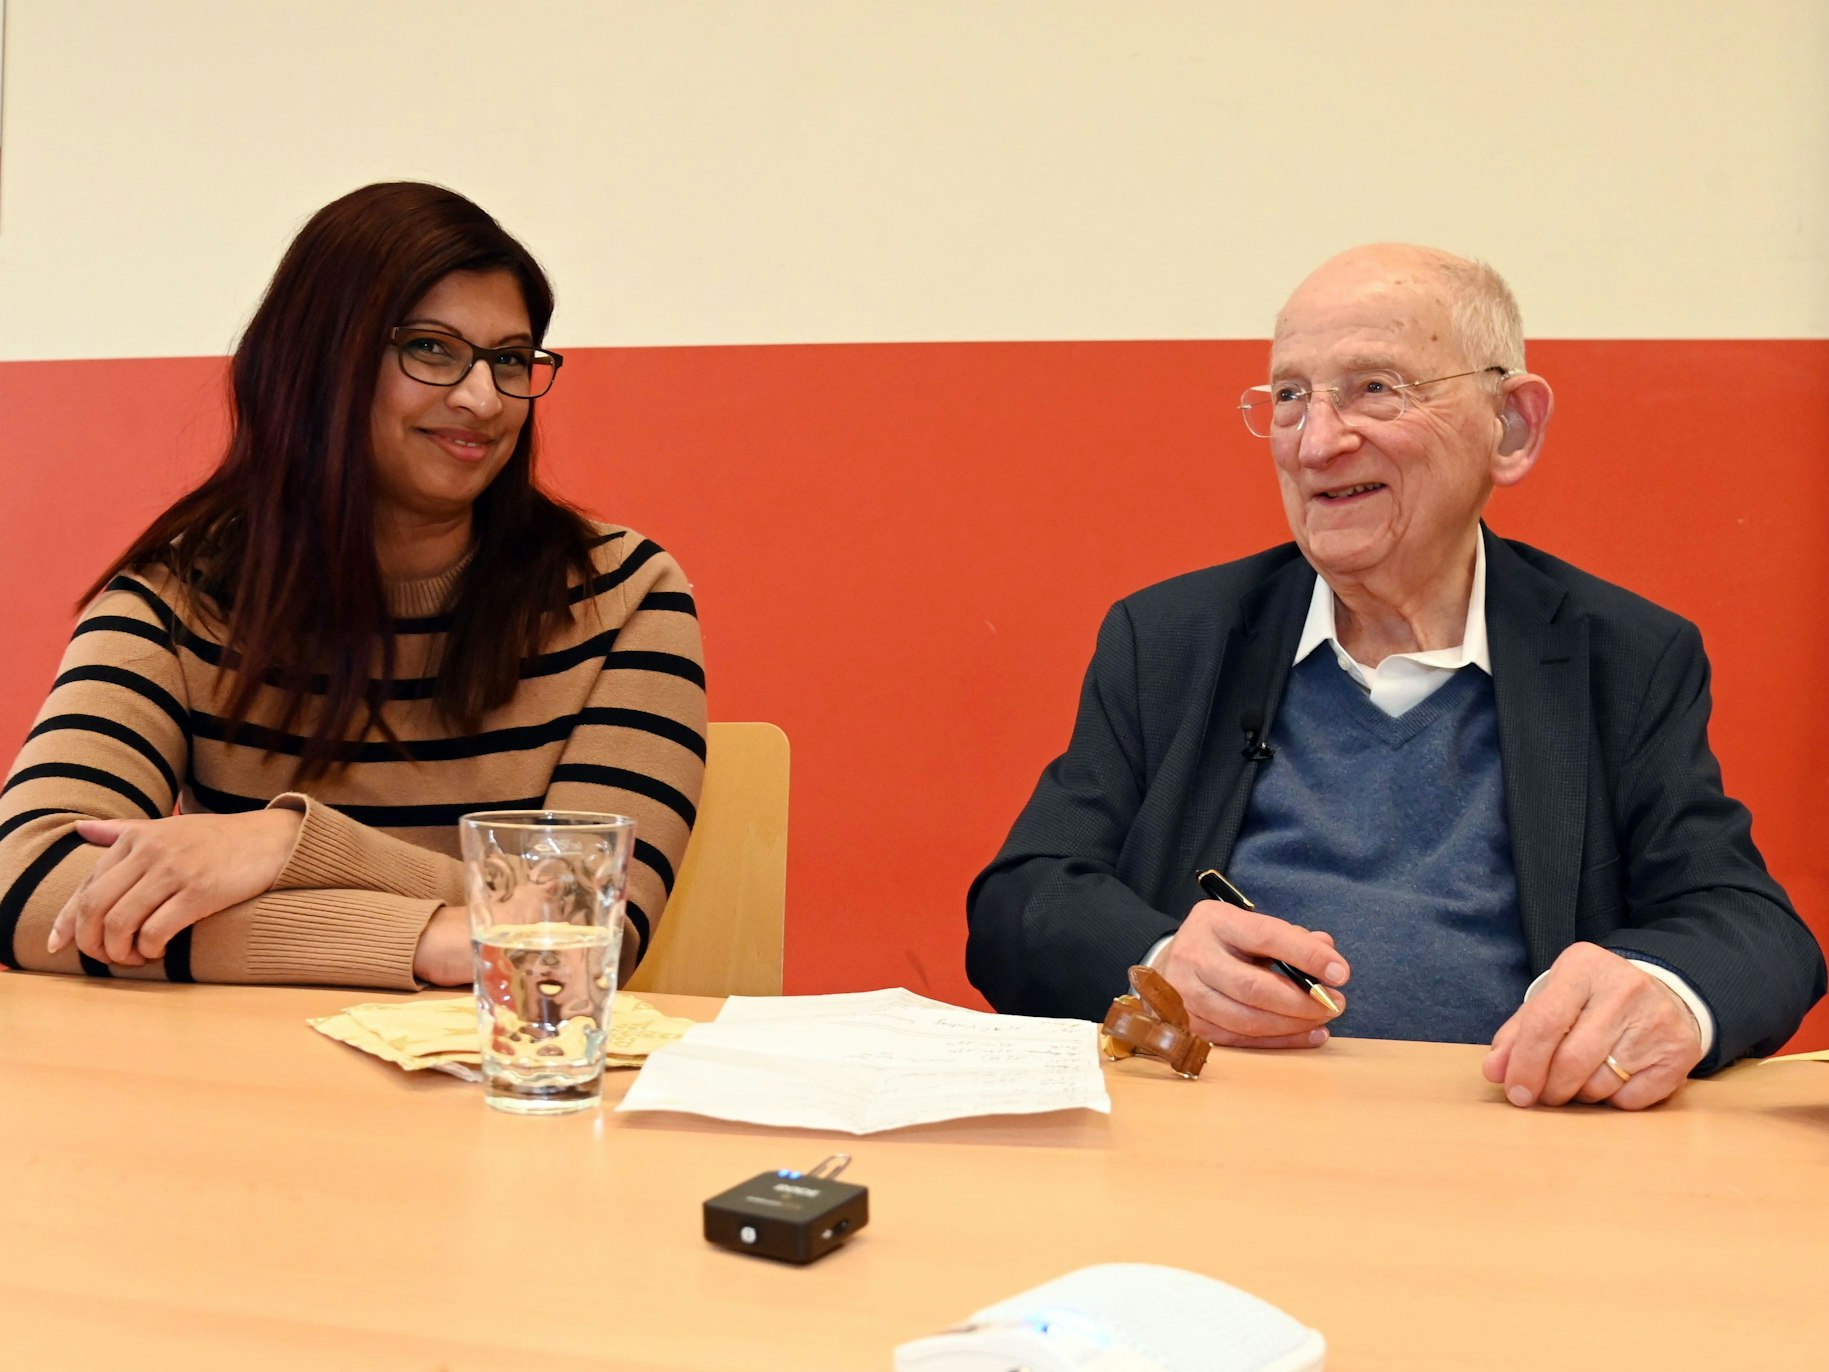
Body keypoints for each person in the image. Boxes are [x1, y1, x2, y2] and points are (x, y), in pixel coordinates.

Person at [967, 244, 1824, 1109]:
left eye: (1375, 389)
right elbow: (1018, 908)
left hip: (1521, 1142)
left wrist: (1665, 995)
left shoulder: (1622, 654)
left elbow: (1753, 928)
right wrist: (1157, 965)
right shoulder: (1171, 638)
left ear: (1512, 427)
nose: (1316, 441)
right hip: (1212, 1135)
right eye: (1291, 396)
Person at [0, 182, 706, 990]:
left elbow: (585, 931)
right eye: (432, 349)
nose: (482, 398)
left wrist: (287, 847)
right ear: (320, 362)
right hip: (236, 1098)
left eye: (509, 360)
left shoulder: (620, 595)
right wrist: (424, 941)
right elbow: (26, 886)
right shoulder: (175, 601)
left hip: (507, 1098)